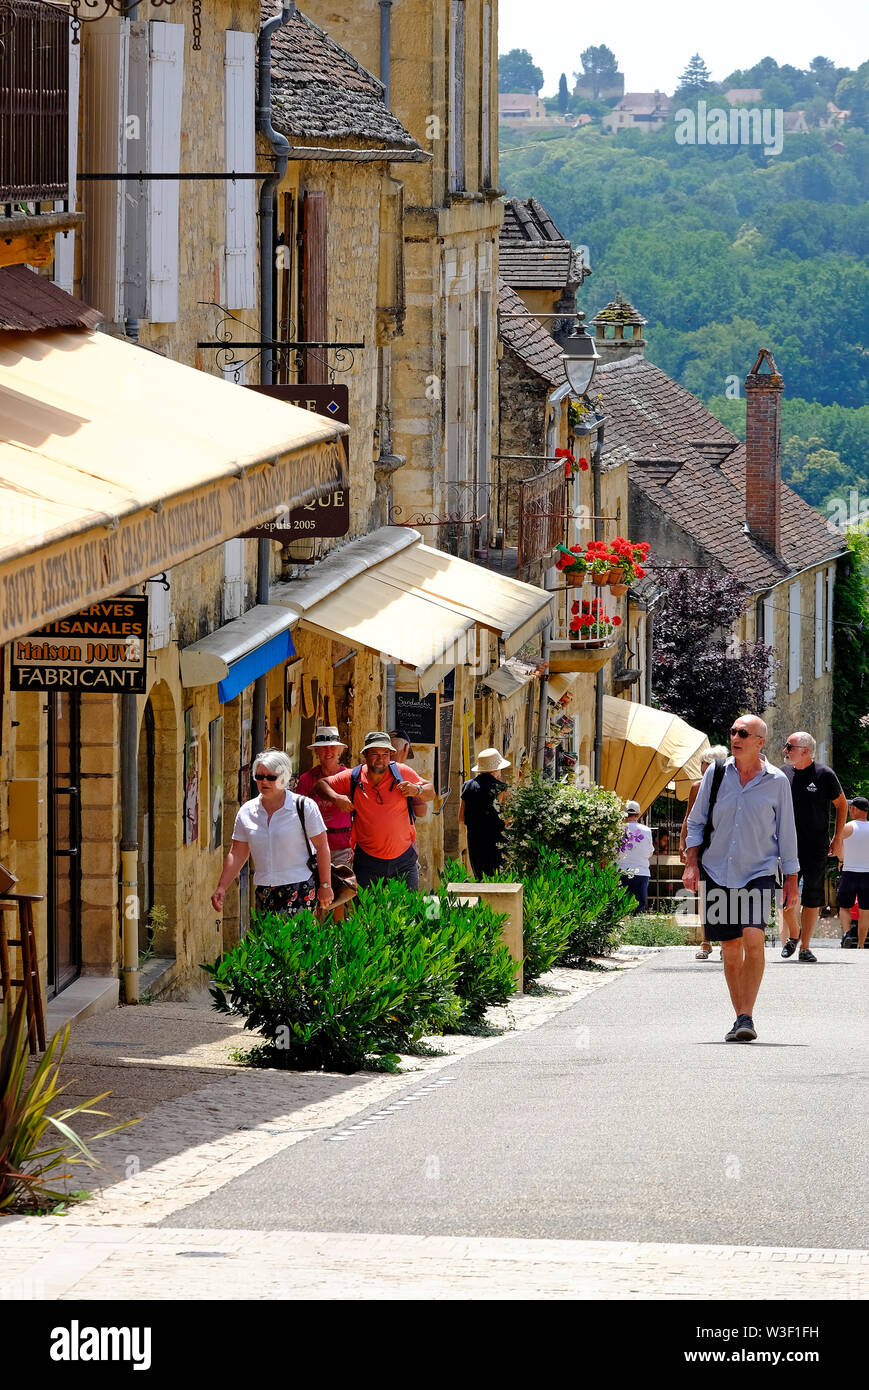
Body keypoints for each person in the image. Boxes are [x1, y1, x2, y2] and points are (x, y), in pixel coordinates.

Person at [683, 714, 798, 1043]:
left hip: (758, 870)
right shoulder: (717, 774)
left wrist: (791, 879)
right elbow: (697, 821)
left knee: (753, 938)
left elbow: (786, 833)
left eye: (743, 733)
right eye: (733, 731)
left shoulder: (776, 781)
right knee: (731, 948)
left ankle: (747, 1013)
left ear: (760, 742)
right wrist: (692, 863)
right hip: (718, 869)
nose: (736, 737)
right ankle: (742, 1017)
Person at [211, 748, 333, 918]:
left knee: (297, 943)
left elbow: (321, 846)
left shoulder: (304, 807)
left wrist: (325, 885)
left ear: (283, 778)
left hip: (299, 888)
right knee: (267, 943)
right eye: (259, 776)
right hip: (264, 891)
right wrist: (222, 887)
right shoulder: (247, 811)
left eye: (271, 777)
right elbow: (237, 853)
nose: (264, 781)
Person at [317, 731, 435, 890]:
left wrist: (417, 790)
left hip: (404, 861)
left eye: (385, 753)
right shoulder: (354, 776)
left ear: (390, 755)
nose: (381, 758)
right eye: (375, 753)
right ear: (365, 754)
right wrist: (336, 798)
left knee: (408, 911)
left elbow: (431, 791)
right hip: (368, 863)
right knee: (368, 913)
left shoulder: (401, 772)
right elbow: (321, 785)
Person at [780, 732, 847, 963]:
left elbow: (842, 805)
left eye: (790, 746)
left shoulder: (824, 774)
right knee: (784, 897)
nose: (785, 750)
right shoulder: (782, 773)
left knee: (811, 897)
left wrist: (837, 838)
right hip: (786, 845)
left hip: (816, 846)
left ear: (805, 750)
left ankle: (805, 947)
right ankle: (794, 933)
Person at [679, 745, 729, 960]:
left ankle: (726, 943)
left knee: (726, 894)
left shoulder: (730, 786)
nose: (702, 767)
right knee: (705, 894)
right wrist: (684, 845)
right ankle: (706, 940)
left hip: (724, 845)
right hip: (702, 845)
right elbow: (689, 818)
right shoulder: (697, 787)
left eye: (705, 763)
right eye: (702, 763)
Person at [295, 726, 353, 873]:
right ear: (317, 752)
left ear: (339, 751)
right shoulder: (306, 780)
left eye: (332, 748)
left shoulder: (350, 777)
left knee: (343, 891)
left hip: (343, 845)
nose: (328, 752)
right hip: (314, 847)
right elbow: (298, 815)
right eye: (323, 748)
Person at [459, 747, 510, 879]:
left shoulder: (468, 786)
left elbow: (461, 817)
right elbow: (507, 819)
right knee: (497, 880)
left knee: (480, 878)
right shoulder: (501, 788)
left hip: (475, 840)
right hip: (495, 840)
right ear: (496, 769)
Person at [836, 796, 869, 950]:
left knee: (844, 906)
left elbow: (838, 848)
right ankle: (861, 945)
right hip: (867, 874)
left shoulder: (847, 827)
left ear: (855, 809)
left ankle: (847, 933)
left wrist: (841, 860)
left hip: (849, 872)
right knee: (865, 911)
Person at [617, 801, 654, 912]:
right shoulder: (647, 830)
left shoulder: (618, 828)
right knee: (638, 908)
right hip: (641, 872)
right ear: (638, 815)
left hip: (621, 871)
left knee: (620, 909)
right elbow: (650, 853)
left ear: (624, 814)